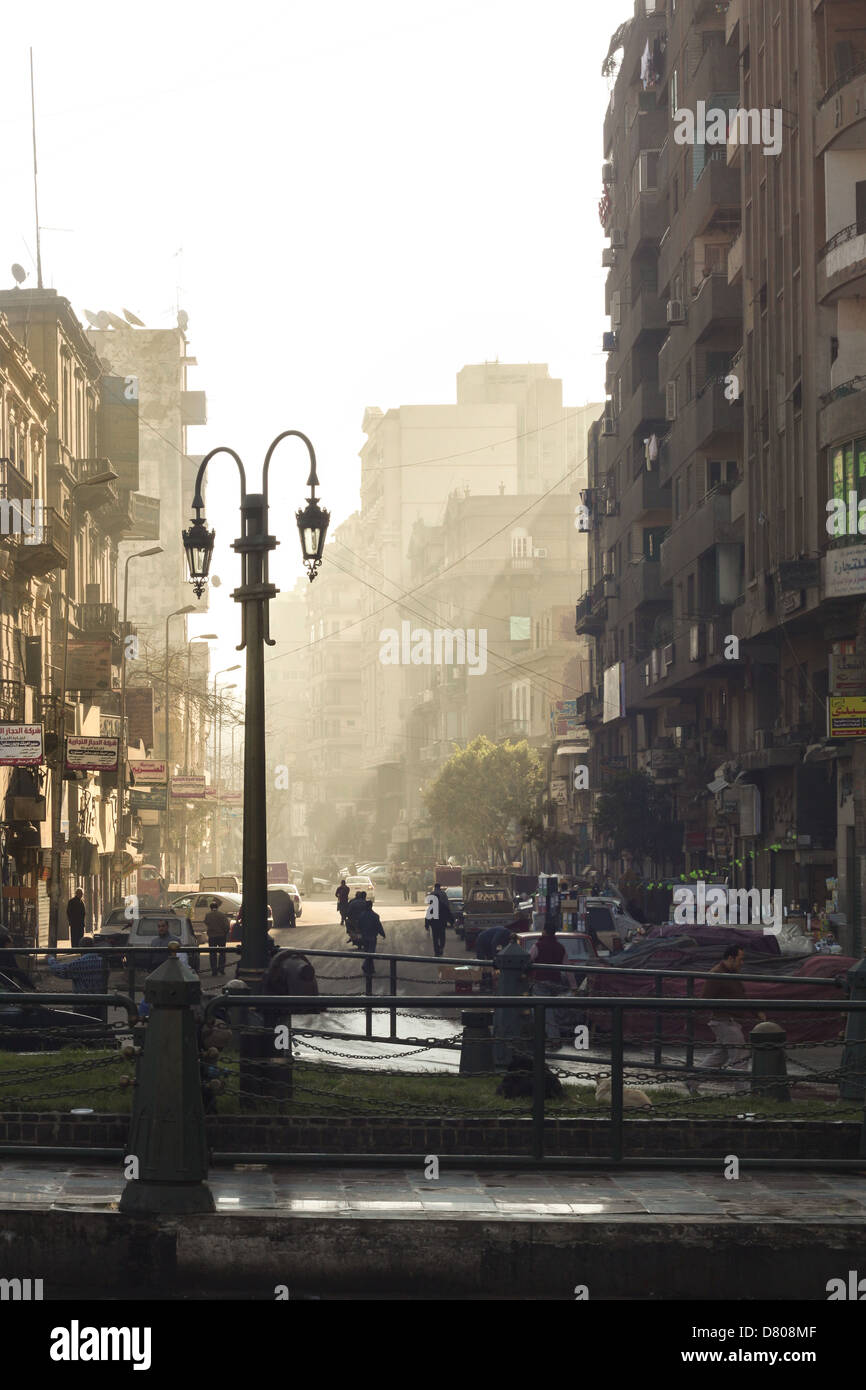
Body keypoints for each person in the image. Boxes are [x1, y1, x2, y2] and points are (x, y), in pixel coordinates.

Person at [691, 946, 764, 1094]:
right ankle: (743, 1093)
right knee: (740, 1057)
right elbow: (705, 998)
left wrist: (755, 1011)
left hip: (726, 1021)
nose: (742, 963)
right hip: (725, 1021)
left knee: (718, 1057)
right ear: (731, 958)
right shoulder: (717, 974)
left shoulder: (729, 973)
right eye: (740, 959)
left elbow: (741, 997)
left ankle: (692, 1081)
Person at [46, 937, 108, 1020]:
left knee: (81, 1029)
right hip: (101, 1004)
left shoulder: (79, 964)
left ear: (80, 948)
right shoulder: (104, 962)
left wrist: (50, 959)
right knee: (99, 1027)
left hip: (83, 1006)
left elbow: (59, 970)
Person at [528, 919, 568, 1046]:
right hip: (556, 982)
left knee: (542, 1011)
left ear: (544, 931)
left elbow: (528, 961)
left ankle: (552, 1038)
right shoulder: (560, 947)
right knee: (550, 1010)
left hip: (540, 981)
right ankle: (547, 1036)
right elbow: (568, 968)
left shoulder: (537, 946)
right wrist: (574, 986)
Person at [358, 898, 385, 976]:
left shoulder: (361, 915)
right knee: (371, 953)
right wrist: (382, 933)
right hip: (372, 937)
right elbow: (378, 926)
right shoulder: (375, 916)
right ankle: (365, 966)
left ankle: (371, 969)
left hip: (364, 936)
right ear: (371, 906)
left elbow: (359, 925)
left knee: (367, 952)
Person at [204, 898, 230, 977]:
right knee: (222, 953)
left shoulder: (208, 915)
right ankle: (221, 969)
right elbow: (227, 925)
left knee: (212, 954)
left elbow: (206, 923)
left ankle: (214, 971)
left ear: (210, 908)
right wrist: (225, 932)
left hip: (212, 937)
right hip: (221, 936)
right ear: (217, 907)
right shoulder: (222, 915)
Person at [425, 883, 453, 958]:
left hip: (434, 924)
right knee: (442, 937)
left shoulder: (432, 896)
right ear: (440, 887)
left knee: (435, 938)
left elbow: (428, 916)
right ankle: (441, 947)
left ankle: (437, 952)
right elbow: (448, 912)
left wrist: (427, 925)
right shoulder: (443, 895)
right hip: (442, 923)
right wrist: (451, 922)